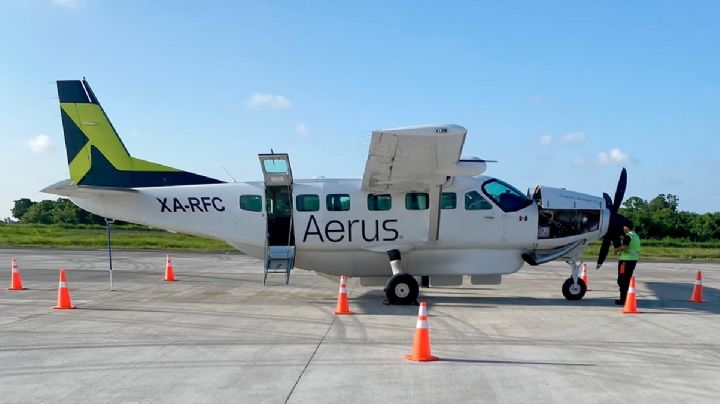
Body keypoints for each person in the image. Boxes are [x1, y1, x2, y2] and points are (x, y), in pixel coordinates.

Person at [613, 221, 641, 305]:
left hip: (625, 261)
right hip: (633, 260)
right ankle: (627, 297)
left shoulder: (628, 236)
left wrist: (617, 250)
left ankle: (623, 299)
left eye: (624, 227)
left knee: (622, 280)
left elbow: (625, 247)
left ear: (626, 227)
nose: (623, 228)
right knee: (627, 278)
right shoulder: (636, 236)